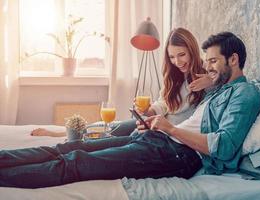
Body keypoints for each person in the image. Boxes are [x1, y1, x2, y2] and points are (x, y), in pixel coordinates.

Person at [0, 31, 260, 189]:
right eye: (207, 62)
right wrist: (157, 124)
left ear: (234, 59)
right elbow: (183, 107)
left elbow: (224, 147)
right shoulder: (219, 88)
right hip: (158, 139)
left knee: (76, 163)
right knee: (68, 147)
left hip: (179, 155)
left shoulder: (245, 93)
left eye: (214, 61)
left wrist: (169, 127)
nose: (209, 68)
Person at [31, 27, 213, 137]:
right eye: (172, 57)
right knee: (112, 126)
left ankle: (68, 136)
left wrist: (210, 81)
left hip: (168, 132)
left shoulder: (207, 73)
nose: (177, 62)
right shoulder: (174, 76)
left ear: (192, 50)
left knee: (111, 135)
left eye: (182, 55)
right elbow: (164, 103)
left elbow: (230, 86)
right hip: (156, 123)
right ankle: (62, 132)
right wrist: (148, 111)